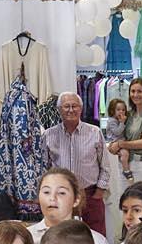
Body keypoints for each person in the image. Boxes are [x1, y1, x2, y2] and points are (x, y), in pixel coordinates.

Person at [29, 168, 110, 244]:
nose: (52, 198)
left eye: (61, 193)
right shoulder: (25, 238)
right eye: (46, 192)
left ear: (76, 200)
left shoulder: (96, 242)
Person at [43, 94, 108, 234]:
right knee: (63, 236)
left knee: (95, 237)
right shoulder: (48, 135)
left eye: (75, 106)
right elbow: (44, 168)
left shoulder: (95, 132)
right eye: (66, 106)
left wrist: (99, 193)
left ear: (81, 109)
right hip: (60, 197)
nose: (71, 110)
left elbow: (105, 166)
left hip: (90, 195)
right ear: (59, 109)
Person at [108, 79, 142, 183]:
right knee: (124, 198)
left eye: (139, 91)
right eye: (132, 91)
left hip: (141, 164)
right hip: (125, 164)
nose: (135, 95)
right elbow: (119, 134)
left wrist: (119, 144)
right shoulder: (129, 114)